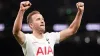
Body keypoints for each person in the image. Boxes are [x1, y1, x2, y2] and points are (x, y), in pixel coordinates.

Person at [12, 1, 84, 56]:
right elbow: (16, 32)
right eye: (38, 19)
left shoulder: (50, 37)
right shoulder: (27, 39)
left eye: (42, 19)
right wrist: (21, 11)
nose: (42, 21)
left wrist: (80, 12)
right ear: (31, 25)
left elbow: (72, 30)